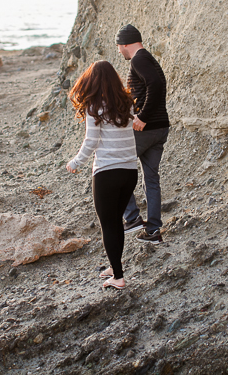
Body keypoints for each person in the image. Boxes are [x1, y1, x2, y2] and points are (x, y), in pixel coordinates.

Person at [66, 60, 138, 290]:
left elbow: (91, 141)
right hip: (129, 171)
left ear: (92, 81)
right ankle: (113, 266)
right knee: (117, 221)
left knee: (108, 224)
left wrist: (76, 162)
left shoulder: (94, 107)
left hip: (107, 172)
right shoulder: (126, 103)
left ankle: (118, 277)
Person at [116, 24, 170, 245]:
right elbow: (154, 87)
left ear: (125, 43)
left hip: (147, 129)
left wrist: (143, 116)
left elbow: (156, 85)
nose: (119, 51)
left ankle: (132, 218)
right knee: (151, 179)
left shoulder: (139, 59)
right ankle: (153, 232)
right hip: (160, 128)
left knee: (118, 166)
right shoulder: (149, 59)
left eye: (118, 46)